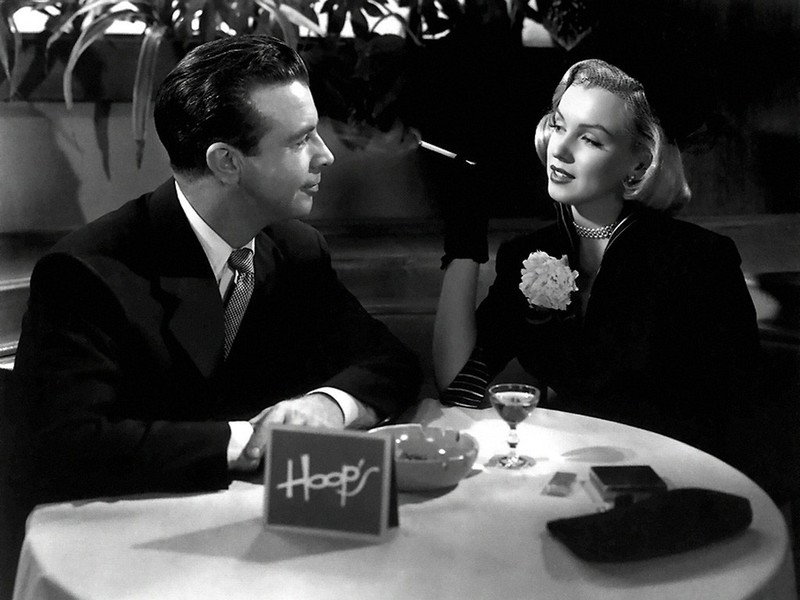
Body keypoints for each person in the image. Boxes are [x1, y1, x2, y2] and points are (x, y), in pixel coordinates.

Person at [8, 35, 422, 504]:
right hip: (138, 531)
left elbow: (389, 361)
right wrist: (248, 440)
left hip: (264, 521)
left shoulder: (296, 250)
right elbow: (64, 446)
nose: (325, 155)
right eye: (301, 139)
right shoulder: (84, 274)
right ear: (226, 162)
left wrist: (327, 407)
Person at [433, 59, 784, 495]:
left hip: (670, 489)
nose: (561, 150)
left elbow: (740, 418)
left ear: (639, 162)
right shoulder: (528, 255)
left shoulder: (698, 259)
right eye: (558, 126)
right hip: (565, 481)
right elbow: (461, 385)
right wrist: (465, 241)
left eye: (590, 139)